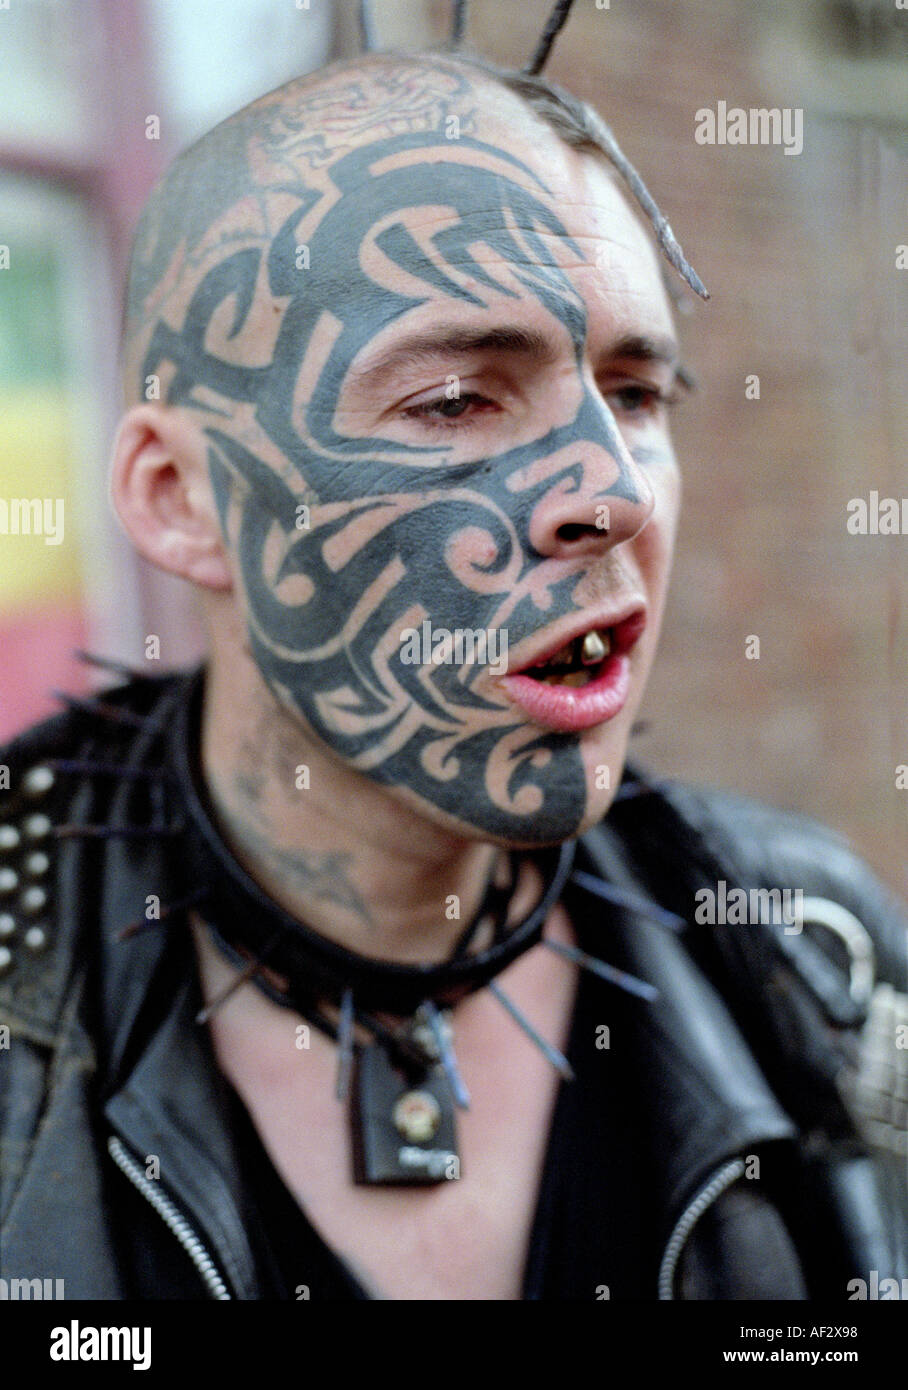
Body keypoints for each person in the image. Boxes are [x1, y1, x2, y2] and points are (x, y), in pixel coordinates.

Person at [0, 31, 905, 1302]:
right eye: (453, 401)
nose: (608, 497)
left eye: (636, 395)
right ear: (178, 499)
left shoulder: (809, 954)